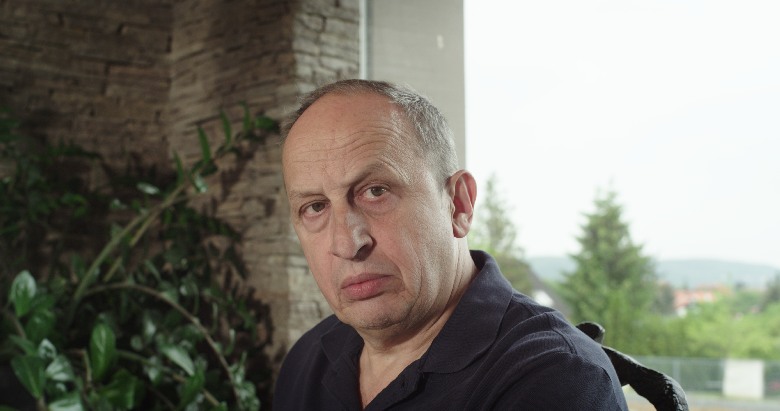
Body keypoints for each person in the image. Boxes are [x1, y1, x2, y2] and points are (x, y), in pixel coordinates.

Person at [273, 79, 629, 410]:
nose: (347, 243)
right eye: (315, 207)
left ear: (458, 205)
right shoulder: (307, 359)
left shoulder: (558, 377)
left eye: (376, 192)